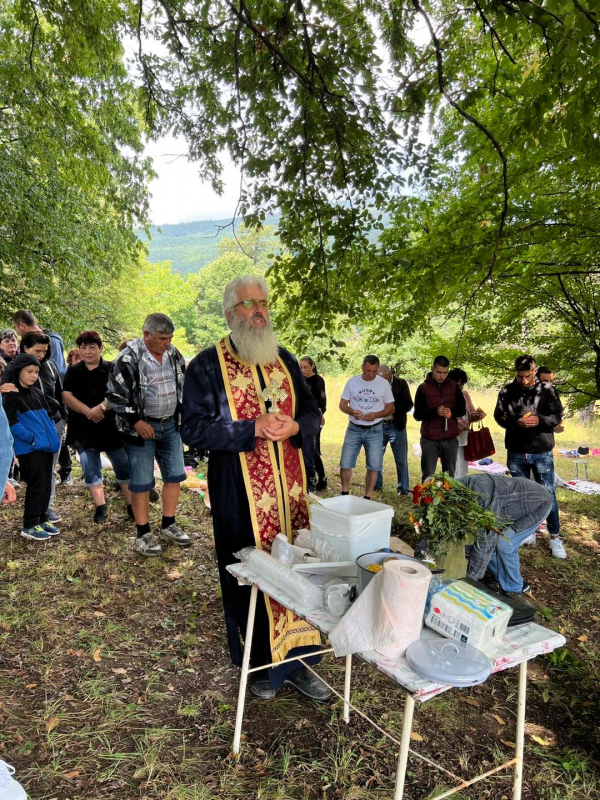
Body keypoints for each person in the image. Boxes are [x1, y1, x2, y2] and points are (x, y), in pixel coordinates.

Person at [181, 275, 327, 702]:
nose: (260, 310)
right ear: (230, 313)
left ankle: (301, 662)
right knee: (252, 574)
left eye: (264, 302)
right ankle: (259, 664)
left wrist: (298, 425)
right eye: (249, 304)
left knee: (300, 568)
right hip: (238, 493)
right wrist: (251, 428)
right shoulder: (206, 366)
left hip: (292, 492)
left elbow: (314, 413)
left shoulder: (283, 358)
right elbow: (193, 429)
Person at [107, 313, 191, 556]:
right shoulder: (128, 358)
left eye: (170, 338)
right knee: (142, 483)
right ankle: (143, 533)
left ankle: (168, 524)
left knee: (174, 477)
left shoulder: (174, 354)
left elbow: (181, 386)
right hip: (141, 430)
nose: (167, 342)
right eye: (163, 338)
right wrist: (136, 421)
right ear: (147, 335)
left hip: (170, 425)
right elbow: (114, 396)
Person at [494, 354, 567, 559]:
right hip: (516, 451)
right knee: (520, 494)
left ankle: (555, 537)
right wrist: (516, 421)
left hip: (541, 451)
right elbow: (499, 416)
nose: (523, 380)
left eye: (527, 376)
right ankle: (527, 532)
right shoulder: (507, 391)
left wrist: (540, 420)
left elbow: (556, 417)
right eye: (519, 376)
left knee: (548, 493)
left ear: (535, 372)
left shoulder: (548, 391)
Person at [63, 331, 132, 523]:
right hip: (83, 427)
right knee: (90, 466)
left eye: (92, 347)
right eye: (83, 347)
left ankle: (131, 505)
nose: (87, 352)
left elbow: (120, 393)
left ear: (100, 348)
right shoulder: (73, 371)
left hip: (110, 425)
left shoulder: (112, 368)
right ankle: (101, 506)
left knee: (123, 465)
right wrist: (88, 411)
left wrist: (101, 408)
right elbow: (66, 396)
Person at [461, 474, 552, 597]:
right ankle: (506, 579)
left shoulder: (484, 497)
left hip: (538, 503)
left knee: (504, 545)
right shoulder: (459, 486)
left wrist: (471, 579)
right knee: (491, 545)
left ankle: (514, 590)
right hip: (513, 503)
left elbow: (486, 540)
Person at [1, 354, 61, 541]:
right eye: (29, 371)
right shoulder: (10, 395)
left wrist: (51, 436)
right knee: (36, 485)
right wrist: (32, 439)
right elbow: (12, 423)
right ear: (18, 371)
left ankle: (42, 519)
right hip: (29, 449)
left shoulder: (36, 392)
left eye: (36, 372)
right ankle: (30, 524)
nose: (34, 375)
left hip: (46, 447)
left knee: (45, 484)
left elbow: (49, 415)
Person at [339, 355, 395, 499]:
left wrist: (376, 415)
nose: (370, 374)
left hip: (375, 430)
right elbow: (342, 404)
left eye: (374, 371)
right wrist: (352, 411)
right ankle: (344, 493)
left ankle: (367, 496)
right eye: (367, 370)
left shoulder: (383, 384)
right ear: (362, 367)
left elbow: (390, 408)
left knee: (374, 466)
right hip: (354, 428)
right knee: (345, 463)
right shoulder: (352, 382)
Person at [414, 356, 466, 480]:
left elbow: (461, 410)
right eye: (438, 372)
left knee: (449, 477)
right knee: (428, 475)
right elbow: (417, 415)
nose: (441, 376)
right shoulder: (423, 388)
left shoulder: (453, 387)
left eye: (445, 372)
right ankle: (426, 499)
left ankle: (446, 499)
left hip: (450, 438)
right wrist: (435, 412)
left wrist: (451, 412)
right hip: (430, 438)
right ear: (432, 369)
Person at [374, 364, 413, 495]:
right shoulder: (374, 383)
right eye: (380, 378)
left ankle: (403, 489)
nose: (382, 381)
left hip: (397, 425)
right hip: (379, 424)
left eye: (385, 378)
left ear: (390, 374)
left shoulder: (401, 383)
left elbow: (409, 404)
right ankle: (376, 484)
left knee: (401, 459)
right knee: (376, 456)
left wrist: (392, 408)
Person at [447, 368, 486, 479]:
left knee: (463, 466)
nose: (460, 387)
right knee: (452, 467)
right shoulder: (447, 396)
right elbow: (453, 421)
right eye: (458, 385)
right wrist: (469, 421)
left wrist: (478, 414)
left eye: (462, 384)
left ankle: (462, 486)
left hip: (465, 437)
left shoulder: (465, 394)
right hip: (452, 436)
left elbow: (471, 410)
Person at [11, 309, 67, 379]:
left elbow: (56, 370)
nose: (17, 331)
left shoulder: (52, 341)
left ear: (22, 326)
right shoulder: (26, 343)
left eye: (15, 327)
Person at [299, 356, 327, 492]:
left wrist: (320, 415)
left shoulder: (318, 380)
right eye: (301, 367)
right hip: (300, 419)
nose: (303, 370)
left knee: (312, 449)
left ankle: (320, 477)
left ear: (312, 367)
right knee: (306, 448)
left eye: (306, 367)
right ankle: (309, 477)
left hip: (314, 418)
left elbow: (322, 402)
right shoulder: (298, 379)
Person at [537, 366, 564, 433]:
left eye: (551, 381)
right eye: (545, 381)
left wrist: (555, 424)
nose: (549, 384)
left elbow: (557, 414)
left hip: (546, 438)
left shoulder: (552, 392)